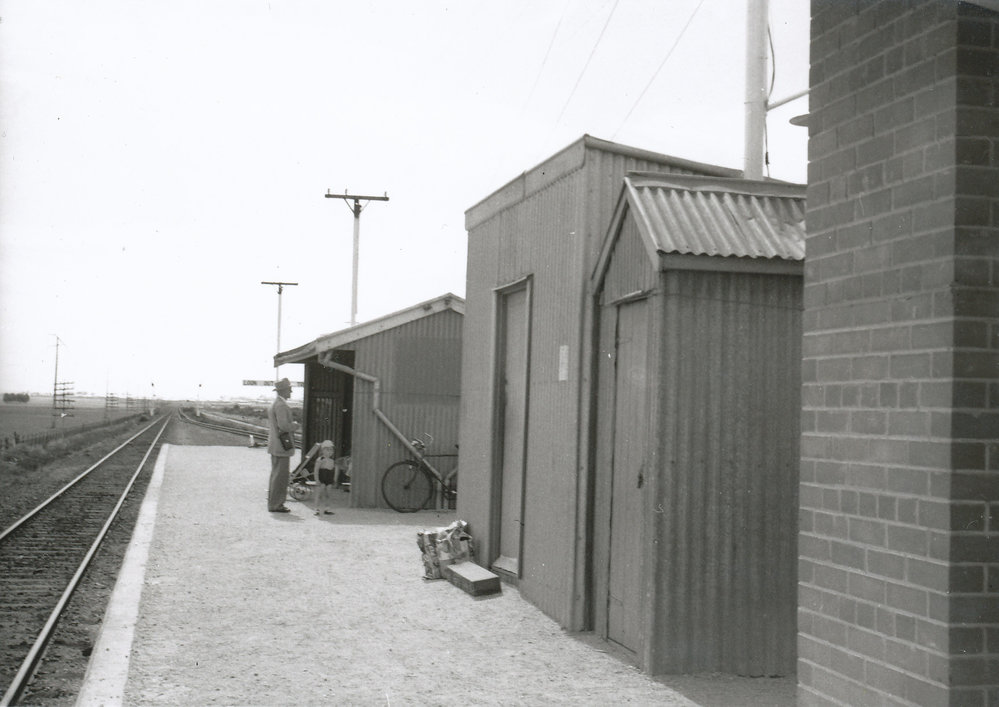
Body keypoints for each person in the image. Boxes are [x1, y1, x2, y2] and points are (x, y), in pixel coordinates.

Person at [267, 377, 299, 513]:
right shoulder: (281, 405)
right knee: (281, 477)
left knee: (276, 475)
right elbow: (284, 426)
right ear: (283, 391)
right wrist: (295, 425)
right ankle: (277, 505)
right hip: (281, 446)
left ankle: (273, 503)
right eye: (289, 389)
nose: (291, 392)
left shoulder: (275, 404)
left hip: (276, 445)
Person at [313, 439, 336, 516]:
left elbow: (332, 470)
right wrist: (316, 479)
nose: (329, 452)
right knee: (319, 493)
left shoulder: (332, 461)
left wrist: (333, 479)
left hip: (329, 478)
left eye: (331, 450)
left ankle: (327, 508)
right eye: (327, 450)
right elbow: (316, 470)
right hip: (322, 478)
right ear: (323, 450)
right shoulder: (320, 459)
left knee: (328, 494)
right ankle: (316, 508)